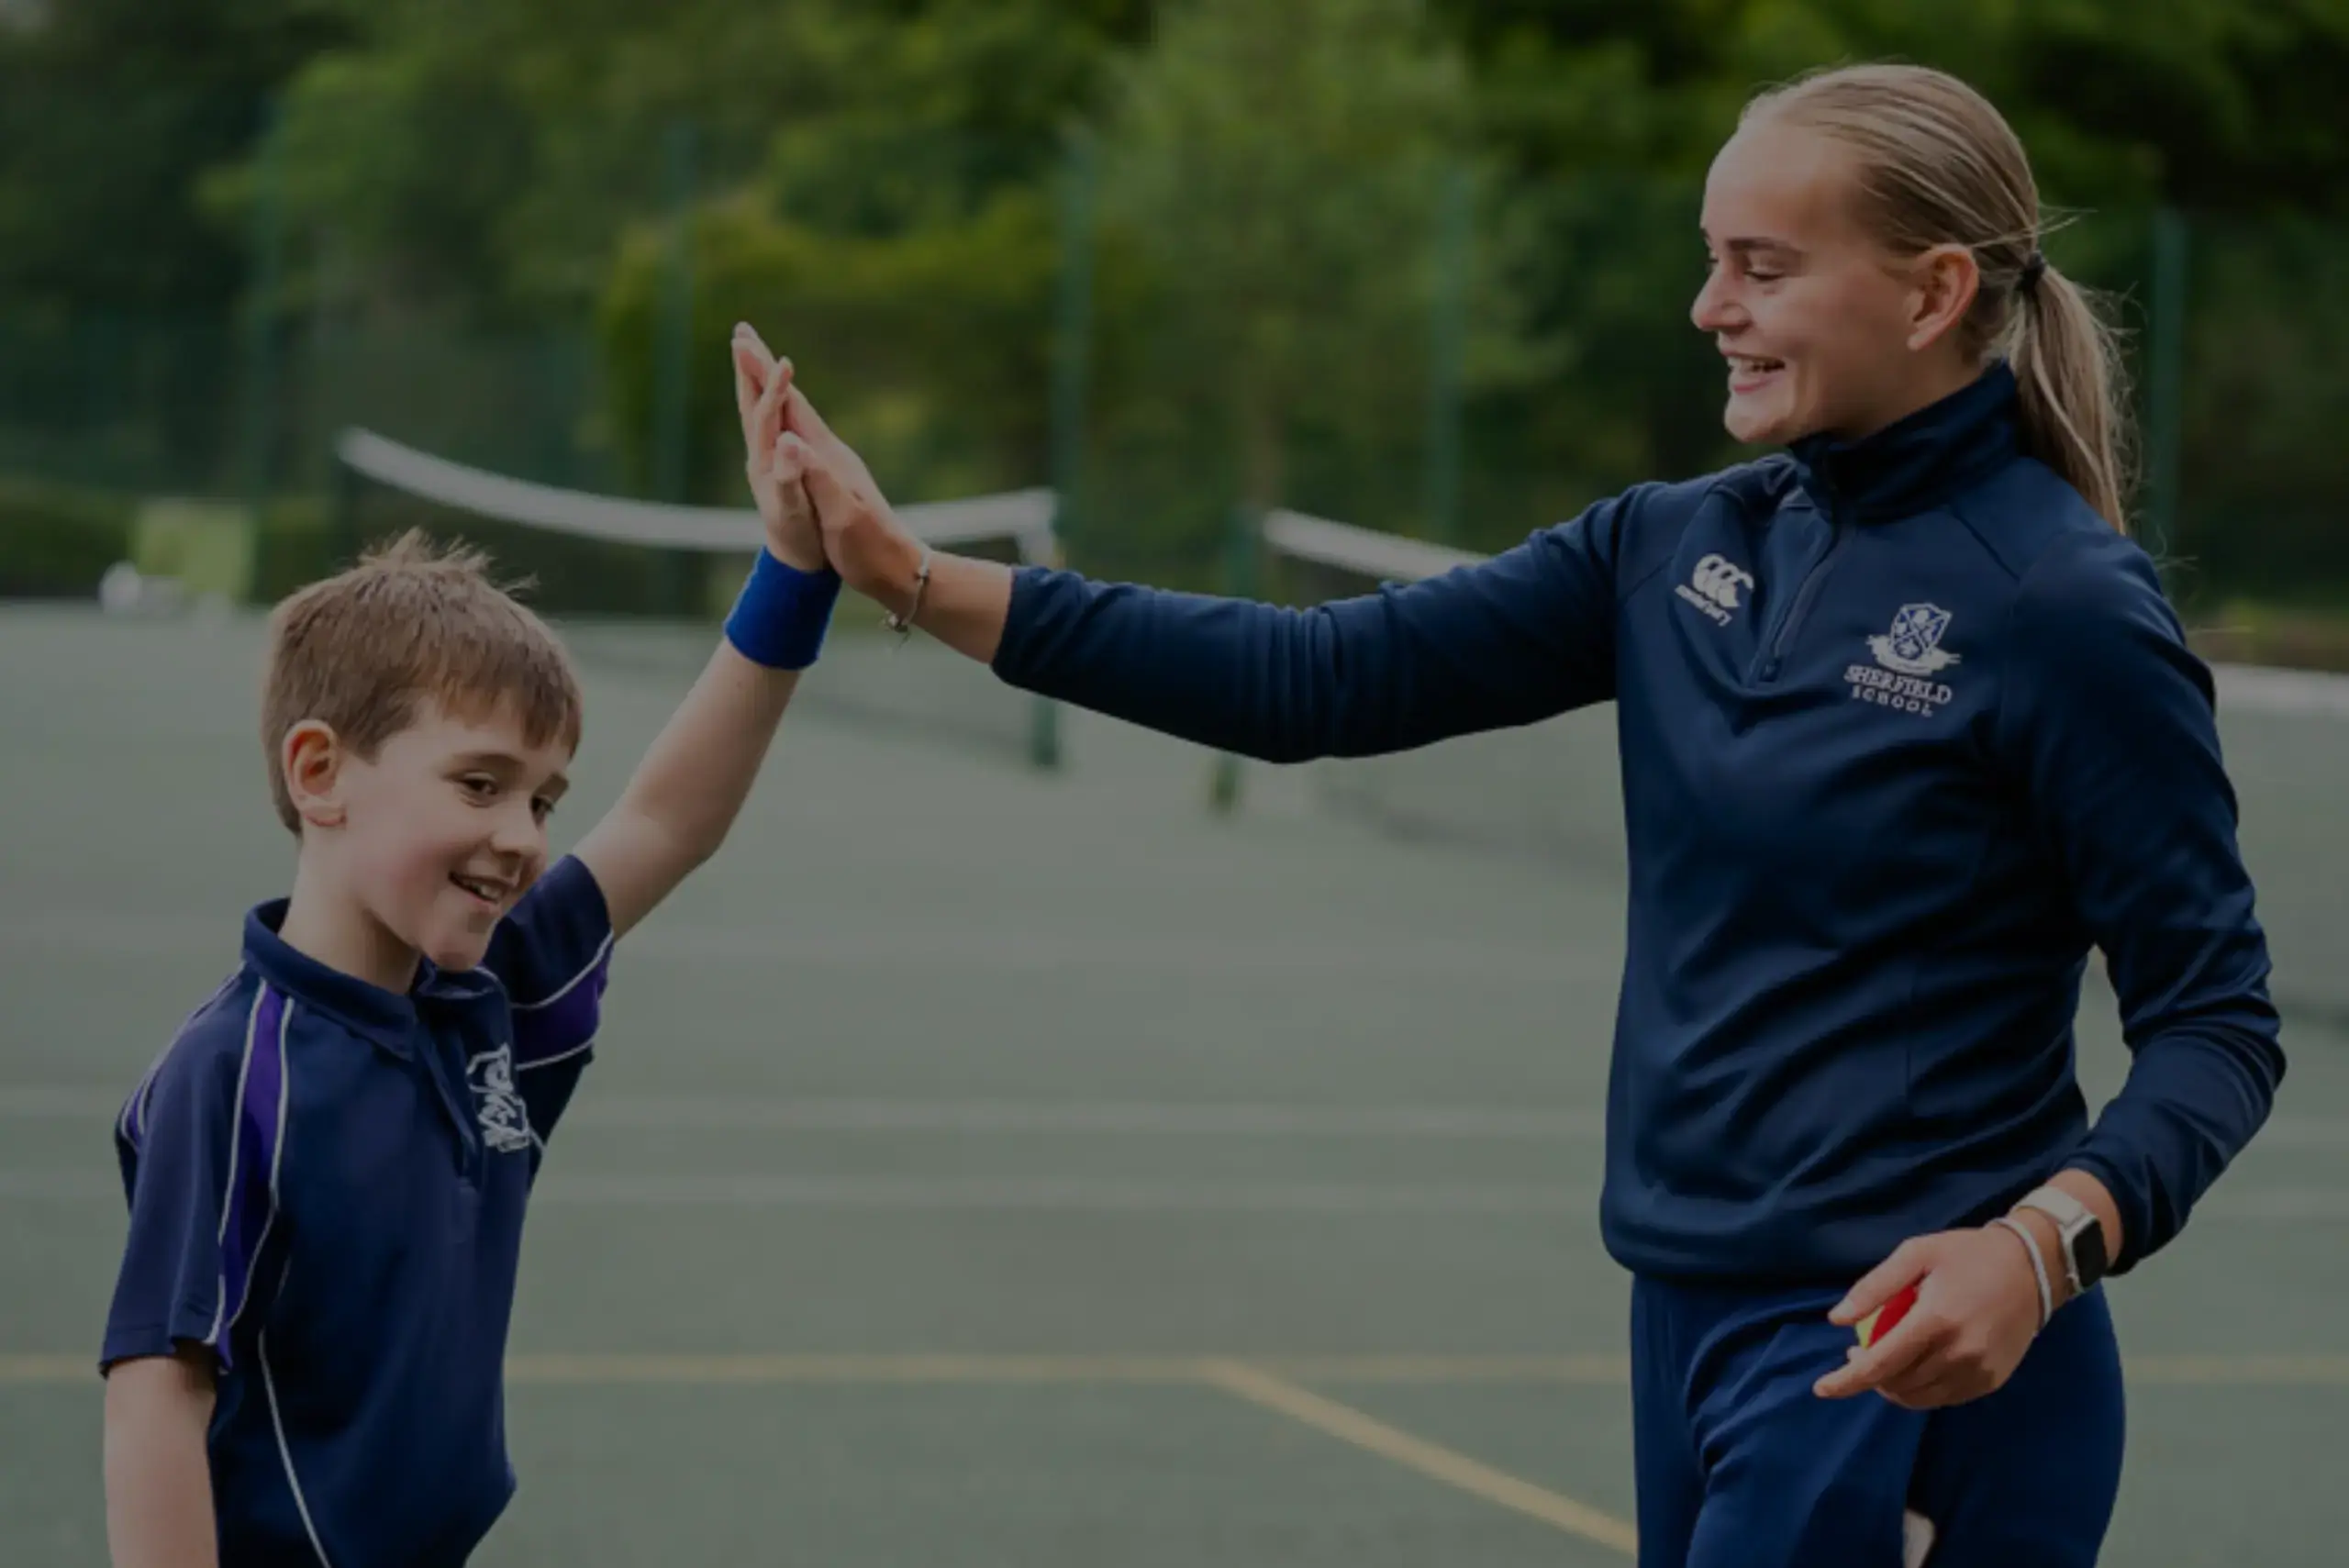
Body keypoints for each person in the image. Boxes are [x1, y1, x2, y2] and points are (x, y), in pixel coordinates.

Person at [742, 60, 2285, 1568]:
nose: (1710, 309)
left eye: (1762, 269)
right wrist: (905, 573)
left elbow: (2216, 1023)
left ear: (1935, 292)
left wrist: (2037, 1250)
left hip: (1906, 1362)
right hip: (1686, 1319)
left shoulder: (2061, 608)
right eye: (1710, 261)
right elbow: (1313, 680)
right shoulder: (1673, 545)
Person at [97, 347, 846, 1568]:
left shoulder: (492, 993)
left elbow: (668, 820)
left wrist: (796, 569)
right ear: (320, 773)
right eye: (481, 785)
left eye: (543, 800)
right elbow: (154, 1400)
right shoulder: (233, 1074)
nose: (524, 837)